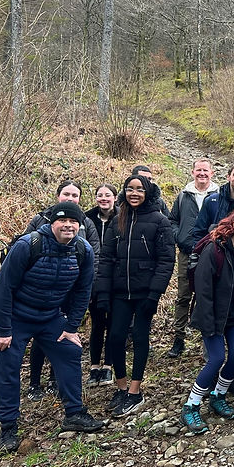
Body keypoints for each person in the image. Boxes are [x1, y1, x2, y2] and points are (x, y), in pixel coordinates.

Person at [0, 202, 106, 451]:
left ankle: (74, 413)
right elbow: (2, 288)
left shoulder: (82, 250)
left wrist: (72, 326)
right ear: (51, 223)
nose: (68, 225)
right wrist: (2, 329)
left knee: (70, 351)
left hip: (50, 316)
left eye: (73, 222)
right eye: (62, 221)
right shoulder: (28, 245)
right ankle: (8, 427)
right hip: (14, 317)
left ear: (79, 225)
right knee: (7, 367)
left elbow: (82, 291)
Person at [95, 174, 175, 418]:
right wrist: (102, 292)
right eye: (130, 189)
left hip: (144, 292)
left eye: (140, 189)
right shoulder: (118, 219)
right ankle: (120, 386)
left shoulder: (159, 221)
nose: (134, 193)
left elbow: (166, 259)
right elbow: (106, 258)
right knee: (116, 337)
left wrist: (154, 294)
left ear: (148, 192)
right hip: (120, 292)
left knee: (140, 337)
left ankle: (135, 390)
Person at [179, 208, 234, 434]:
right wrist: (208, 321)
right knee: (215, 359)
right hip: (213, 316)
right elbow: (203, 289)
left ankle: (218, 396)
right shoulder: (214, 249)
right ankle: (191, 405)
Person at [24, 180, 102, 400]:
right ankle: (34, 382)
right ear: (58, 195)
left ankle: (55, 378)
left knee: (64, 334)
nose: (70, 198)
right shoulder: (41, 219)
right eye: (66, 193)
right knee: (40, 337)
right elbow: (23, 247)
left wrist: (85, 286)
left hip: (71, 288)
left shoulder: (86, 222)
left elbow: (94, 256)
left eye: (75, 195)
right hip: (41, 289)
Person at [166, 158, 219, 358]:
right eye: (199, 170)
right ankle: (179, 339)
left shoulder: (219, 196)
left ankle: (209, 341)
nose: (202, 174)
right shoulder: (183, 195)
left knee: (209, 295)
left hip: (212, 254)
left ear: (212, 173)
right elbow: (173, 220)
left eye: (206, 170)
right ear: (192, 172)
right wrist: (178, 237)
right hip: (187, 252)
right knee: (183, 296)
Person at [84, 184, 118, 386]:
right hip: (94, 278)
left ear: (114, 197)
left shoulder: (123, 218)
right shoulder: (87, 219)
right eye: (99, 195)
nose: (103, 198)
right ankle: (94, 366)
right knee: (97, 324)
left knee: (114, 324)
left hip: (116, 278)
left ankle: (109, 366)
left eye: (107, 195)